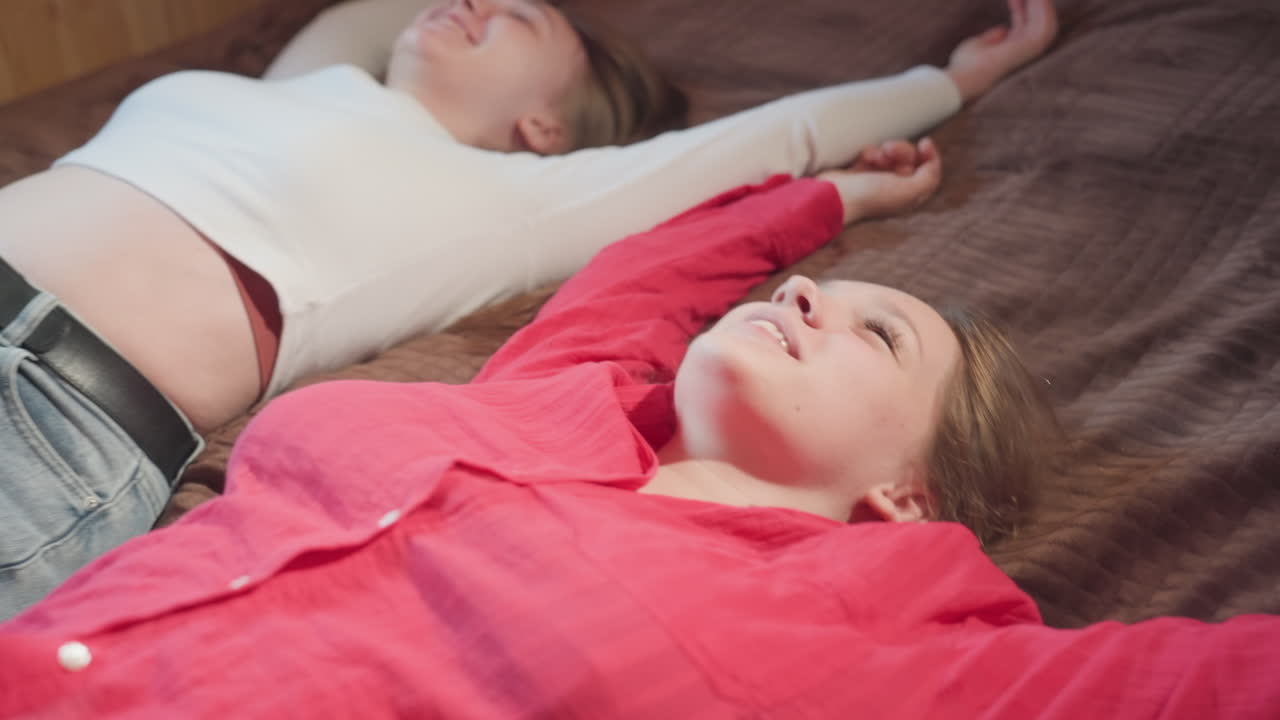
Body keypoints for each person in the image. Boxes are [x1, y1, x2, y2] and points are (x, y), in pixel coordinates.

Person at [3, 139, 1277, 719]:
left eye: (875, 334)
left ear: (909, 489)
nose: (804, 298)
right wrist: (821, 194)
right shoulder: (564, 400)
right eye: (811, 292)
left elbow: (1200, 685)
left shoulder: (880, 643)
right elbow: (643, 280)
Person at [0, 0, 1058, 617]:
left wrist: (950, 82)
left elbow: (765, 140)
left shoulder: (514, 200)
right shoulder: (301, 83)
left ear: (546, 125)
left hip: (48, 416)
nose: (475, 4)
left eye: (523, 15)